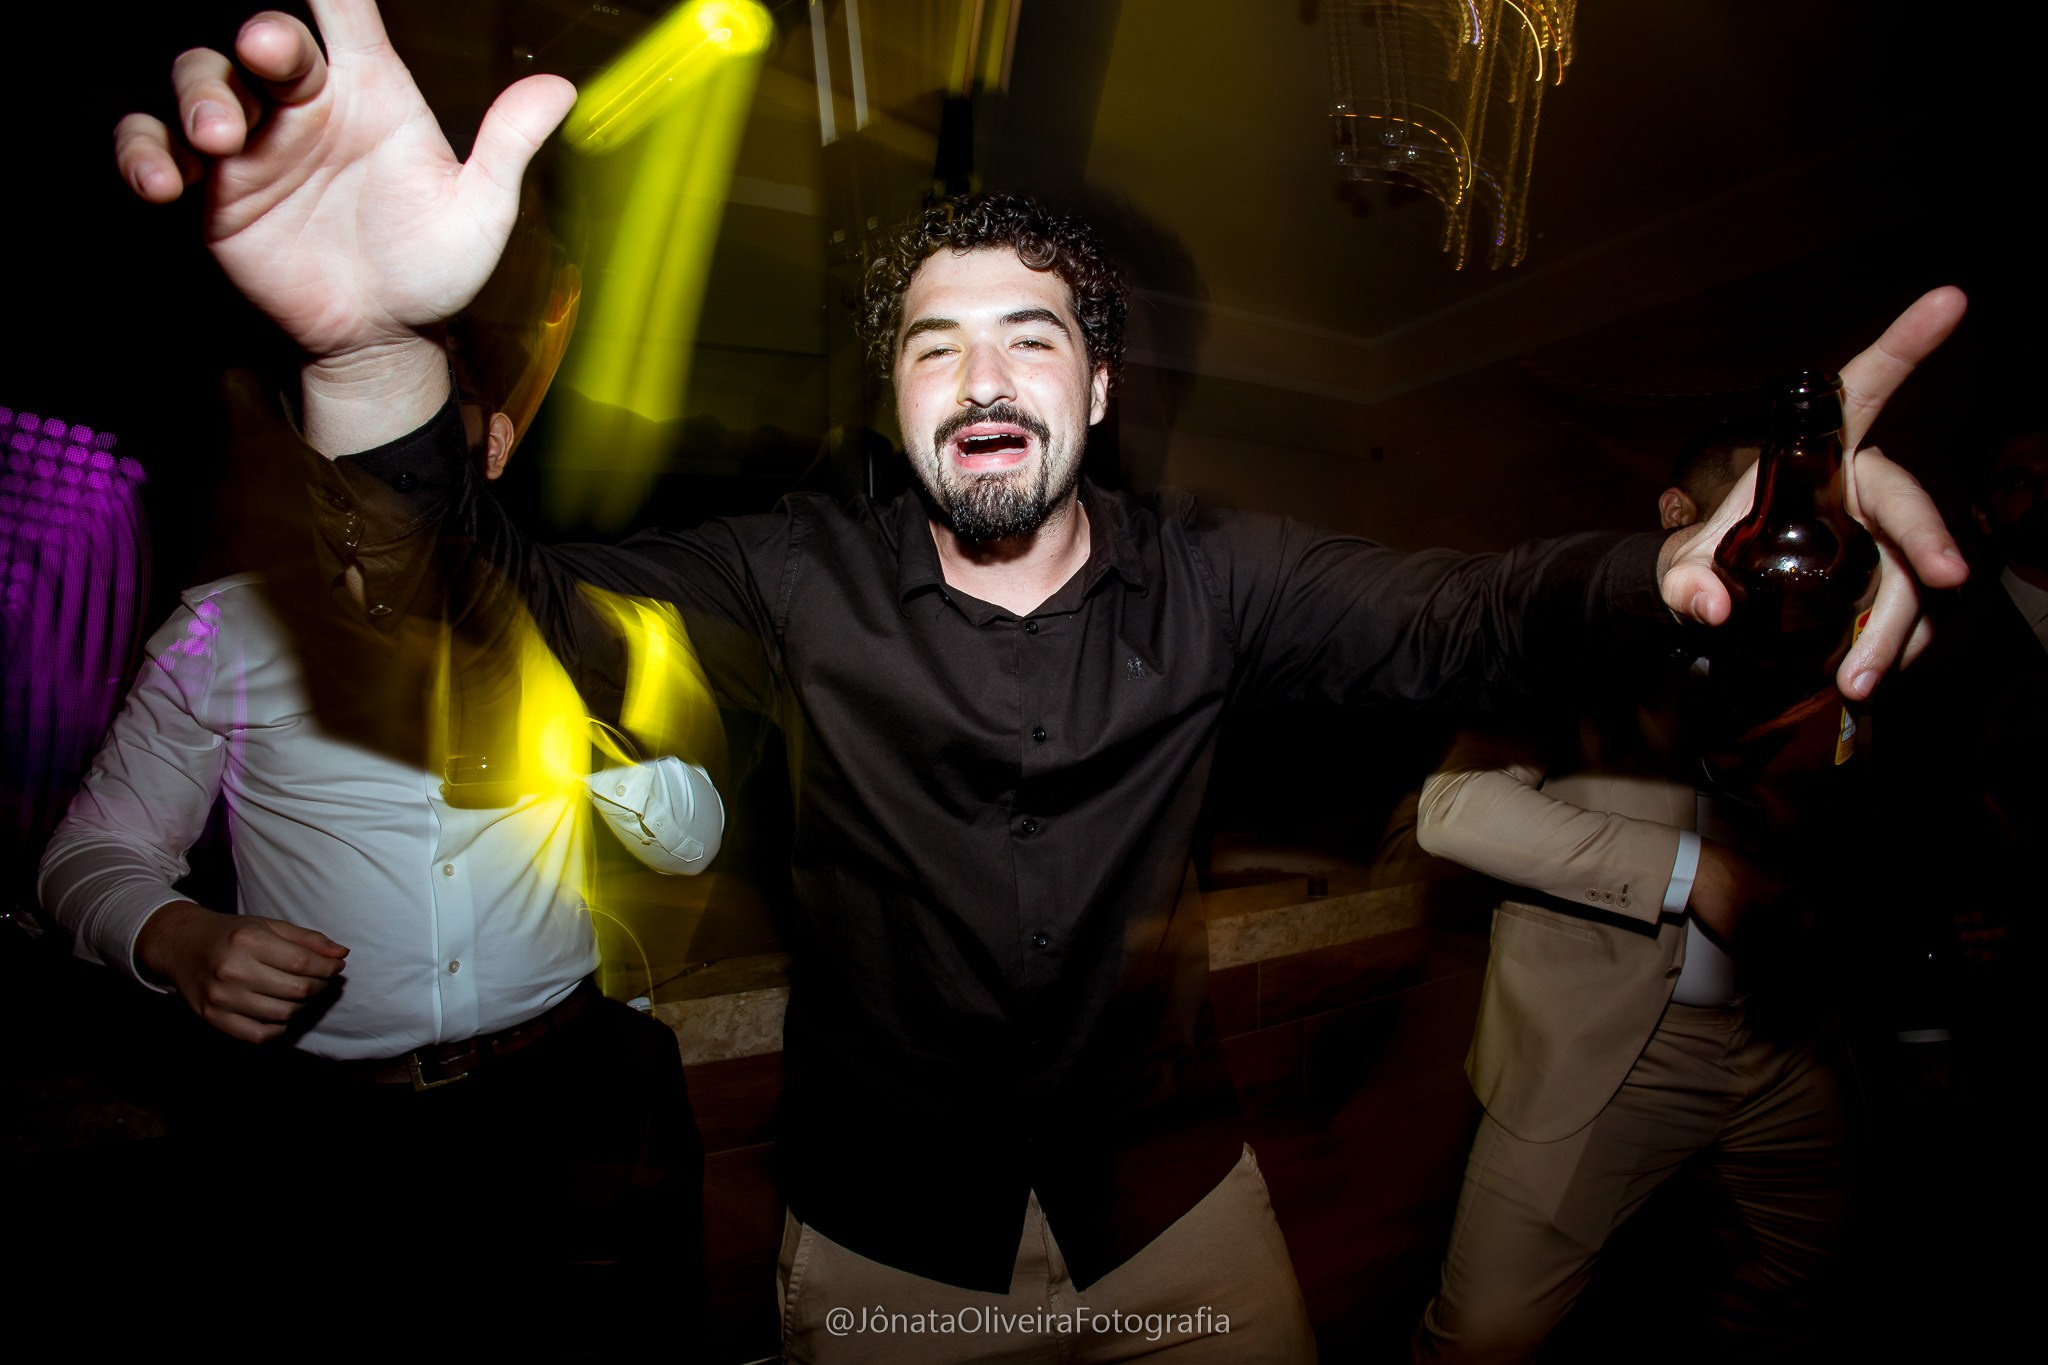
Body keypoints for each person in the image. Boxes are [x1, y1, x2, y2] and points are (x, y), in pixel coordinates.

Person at [108, 5, 1969, 1358]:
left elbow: (1462, 617)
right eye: (934, 344)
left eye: (1031, 336)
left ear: (1091, 392)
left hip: (1172, 1210)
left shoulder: (1221, 577)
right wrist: (371, 357)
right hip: (882, 1253)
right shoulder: (786, 572)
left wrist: (1668, 575)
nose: (983, 373)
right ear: (898, 402)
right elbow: (491, 604)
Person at [36, 319, 728, 1287]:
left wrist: (592, 744)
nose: (379, 467)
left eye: (417, 436)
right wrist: (176, 936)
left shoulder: (573, 614)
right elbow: (87, 853)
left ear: (489, 443)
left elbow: (690, 844)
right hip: (329, 1128)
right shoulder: (224, 631)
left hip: (569, 1099)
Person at [1410, 426, 1852, 1361]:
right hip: (1609, 1056)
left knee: (1809, 1283)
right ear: (1679, 515)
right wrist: (1699, 873)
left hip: (1789, 1043)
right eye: (1757, 507)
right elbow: (1452, 808)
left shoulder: (1820, 650)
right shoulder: (1567, 644)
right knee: (1485, 1337)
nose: (1786, 539)